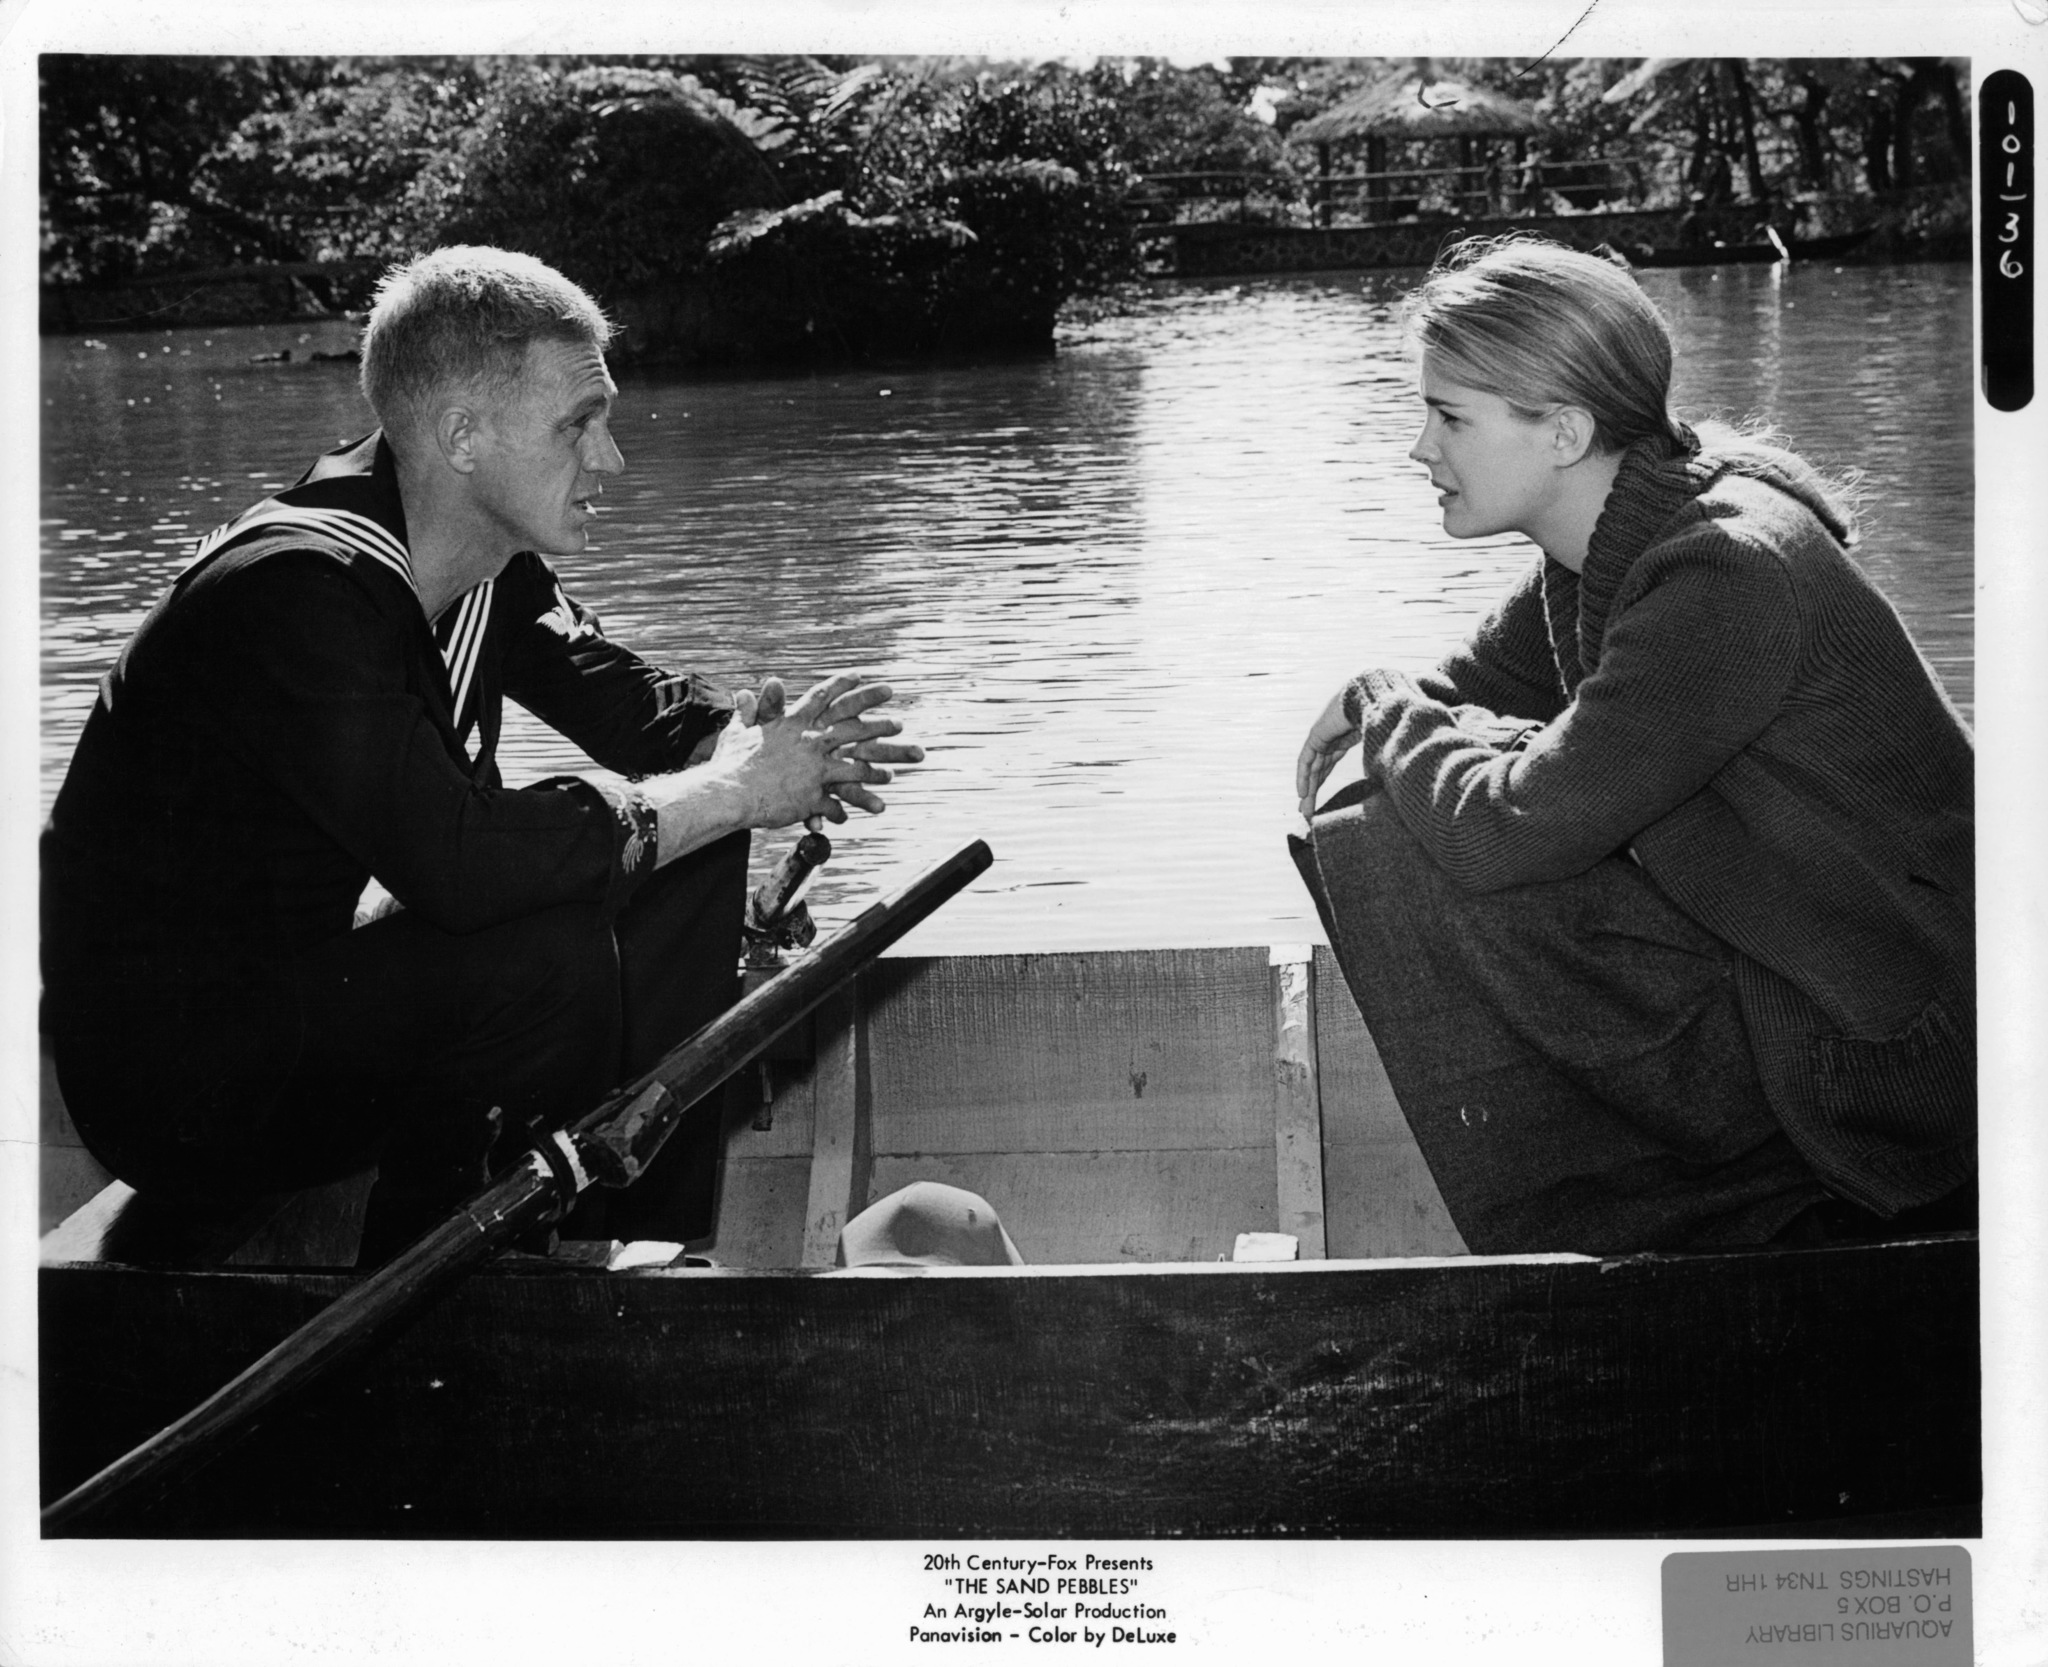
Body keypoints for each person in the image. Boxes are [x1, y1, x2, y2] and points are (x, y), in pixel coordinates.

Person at [41, 245, 923, 1263]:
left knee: (686, 827)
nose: (611, 461)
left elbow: (644, 710)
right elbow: (461, 866)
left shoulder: (479, 559)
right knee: (543, 940)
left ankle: (624, 1235)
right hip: (174, 1086)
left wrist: (767, 745)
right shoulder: (293, 590)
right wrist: (730, 788)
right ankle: (451, 1304)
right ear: (462, 435)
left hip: (304, 1011)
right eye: (577, 427)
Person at [1291, 236, 1973, 1256]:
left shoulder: (1720, 571)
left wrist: (1380, 704)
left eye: (1448, 417)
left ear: (1561, 431)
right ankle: (1651, 1212)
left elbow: (1502, 830)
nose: (1418, 450)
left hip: (1895, 1063)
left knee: (1391, 835)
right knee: (1400, 802)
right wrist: (1398, 707)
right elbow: (1470, 689)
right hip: (1802, 974)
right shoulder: (1617, 529)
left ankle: (1714, 1220)